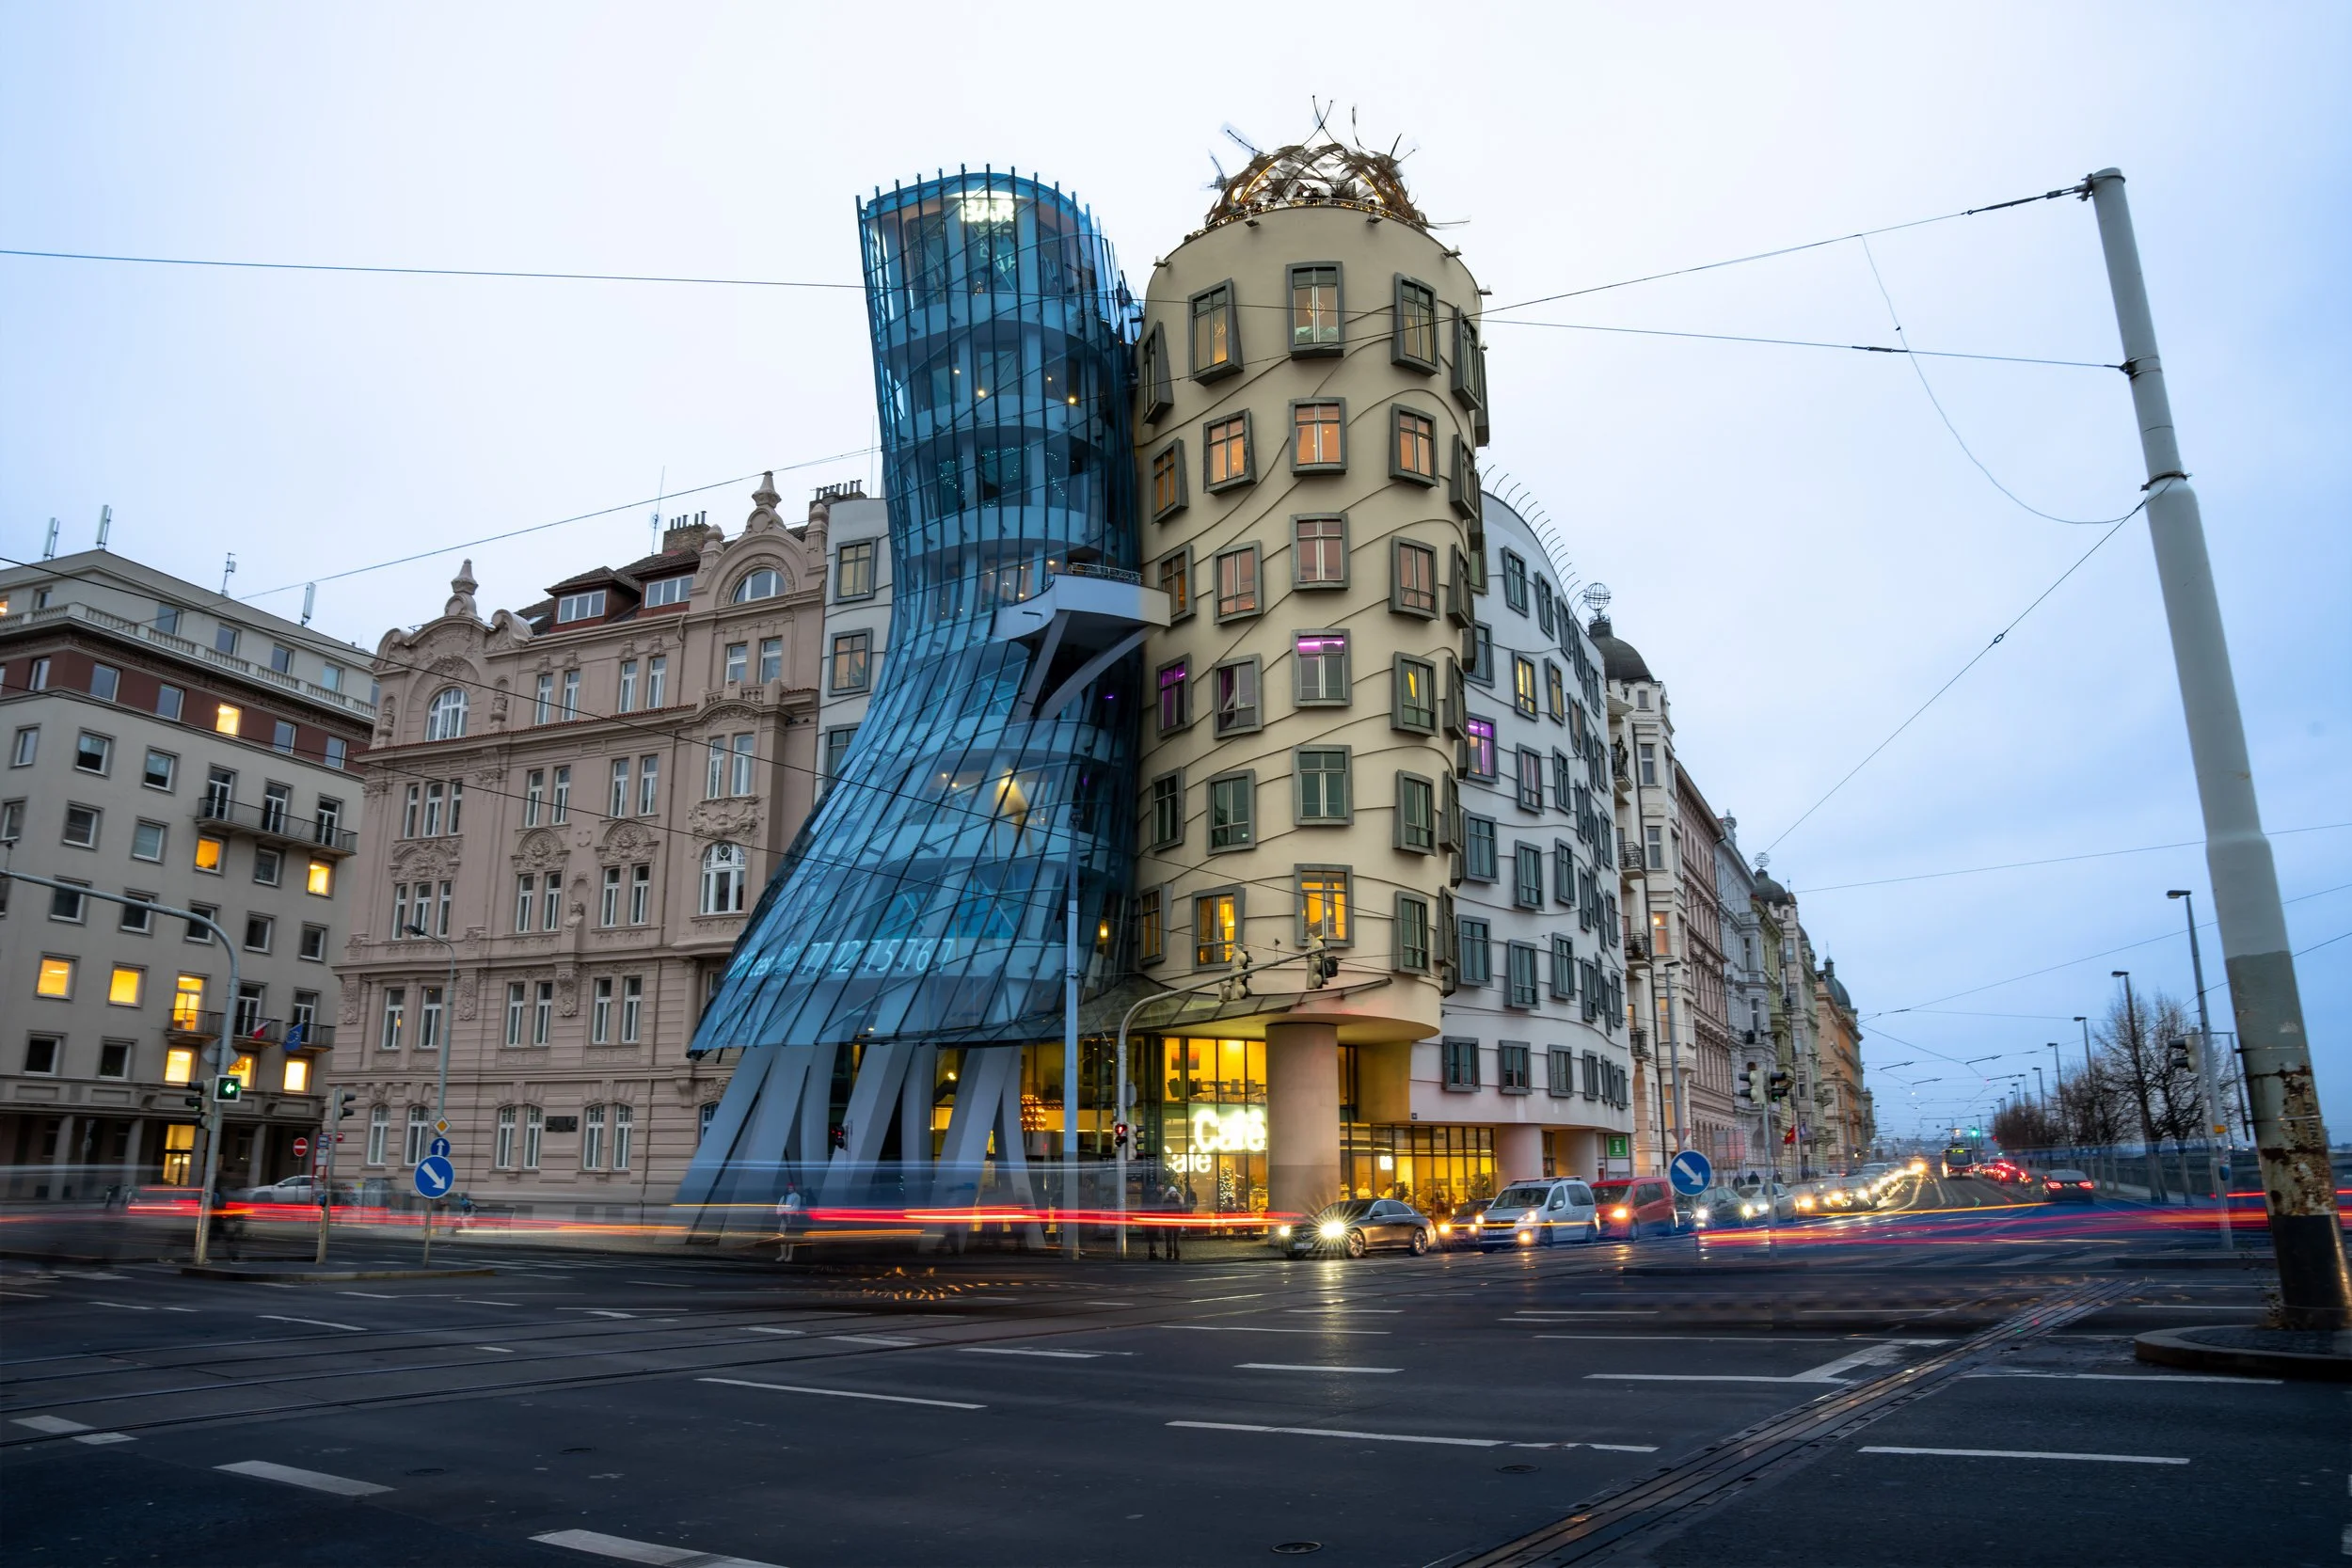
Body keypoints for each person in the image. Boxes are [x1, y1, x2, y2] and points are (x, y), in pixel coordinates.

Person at [775, 1183, 805, 1261]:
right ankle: (783, 1255)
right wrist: (781, 1212)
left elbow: (795, 1208)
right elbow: (778, 1208)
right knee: (782, 1238)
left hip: (792, 1219)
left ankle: (790, 1256)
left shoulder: (797, 1196)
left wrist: (785, 1210)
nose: (790, 1189)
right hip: (783, 1219)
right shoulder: (783, 1197)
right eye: (789, 1188)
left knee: (790, 1238)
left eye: (791, 1188)